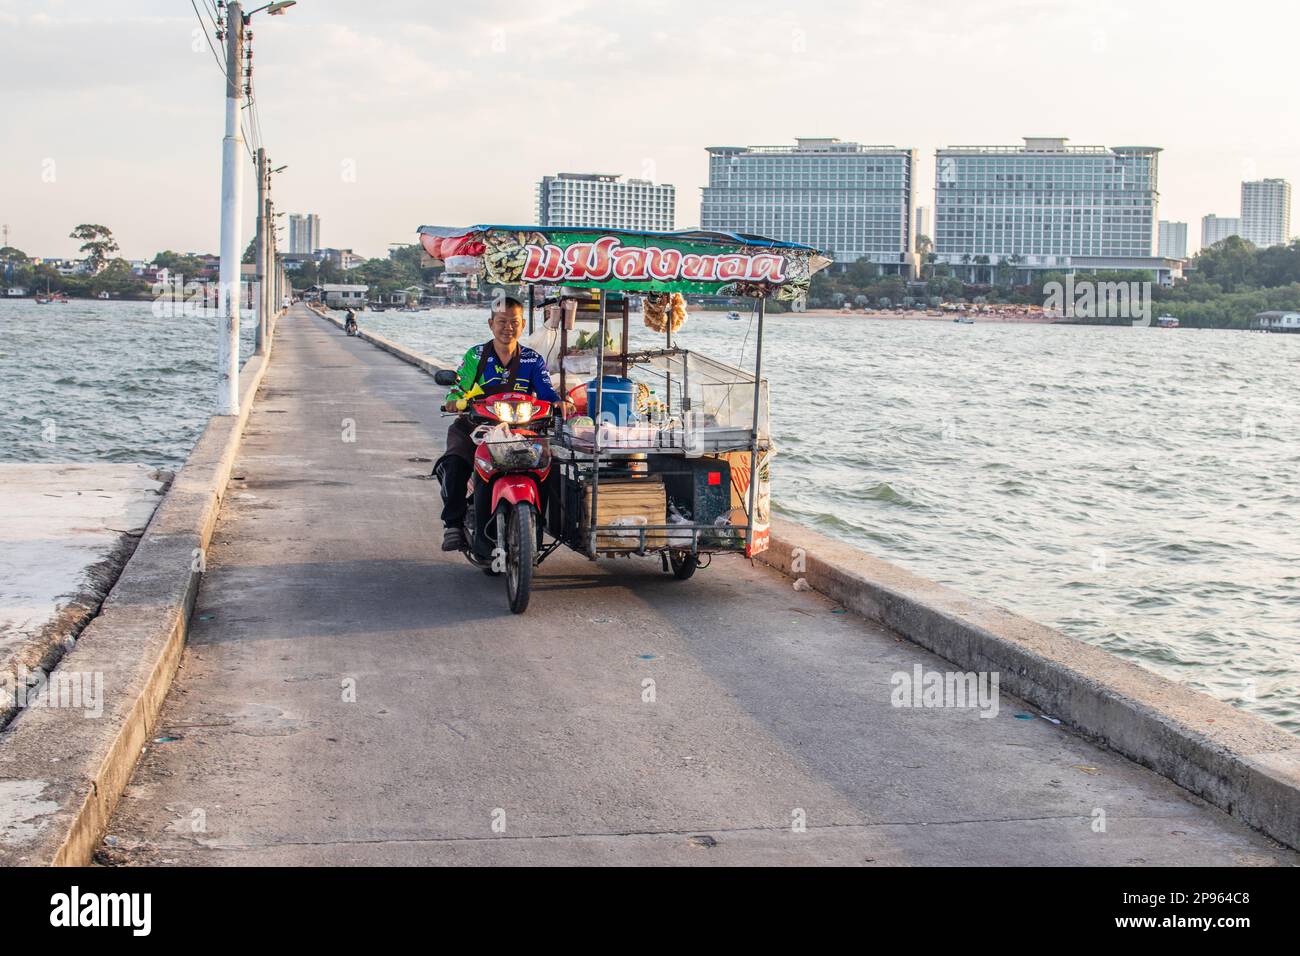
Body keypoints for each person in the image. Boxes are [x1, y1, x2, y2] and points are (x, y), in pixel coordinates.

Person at [434, 296, 569, 552]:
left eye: (514, 322)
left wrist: (560, 403)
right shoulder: (476, 355)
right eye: (502, 322)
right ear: (491, 324)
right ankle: (452, 524)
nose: (508, 327)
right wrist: (454, 400)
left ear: (523, 324)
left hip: (521, 429)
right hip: (476, 426)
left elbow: (547, 392)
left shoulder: (532, 359)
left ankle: (537, 524)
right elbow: (459, 387)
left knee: (550, 465)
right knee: (455, 462)